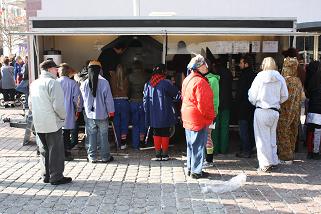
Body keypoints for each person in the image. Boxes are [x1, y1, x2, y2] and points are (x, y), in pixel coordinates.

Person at [30, 60, 72, 185]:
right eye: (55, 68)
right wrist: (63, 117)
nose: (57, 70)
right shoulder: (53, 83)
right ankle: (56, 177)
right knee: (56, 151)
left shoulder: (34, 83)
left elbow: (30, 104)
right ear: (49, 69)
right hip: (52, 122)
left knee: (44, 150)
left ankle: (46, 175)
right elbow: (58, 105)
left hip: (38, 121)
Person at [248, 57, 288, 172]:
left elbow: (252, 95)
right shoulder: (279, 77)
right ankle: (273, 160)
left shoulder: (259, 77)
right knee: (271, 138)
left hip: (262, 110)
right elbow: (285, 95)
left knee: (261, 139)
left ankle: (265, 164)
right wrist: (276, 101)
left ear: (263, 65)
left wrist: (255, 101)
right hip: (274, 111)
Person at [182, 54, 215, 179]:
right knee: (198, 145)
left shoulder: (187, 79)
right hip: (198, 118)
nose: (207, 67)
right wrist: (211, 117)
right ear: (199, 67)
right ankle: (196, 171)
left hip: (188, 116)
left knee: (190, 145)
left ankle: (190, 168)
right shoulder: (200, 82)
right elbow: (204, 104)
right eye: (204, 65)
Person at [80, 60, 115, 163]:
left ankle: (92, 157)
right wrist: (111, 112)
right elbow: (108, 99)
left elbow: (81, 100)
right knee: (104, 136)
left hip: (89, 115)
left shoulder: (84, 83)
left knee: (91, 135)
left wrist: (80, 110)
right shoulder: (104, 82)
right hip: (102, 114)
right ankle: (105, 157)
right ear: (100, 70)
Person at [143, 64, 180, 161]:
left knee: (156, 132)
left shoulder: (148, 84)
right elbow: (176, 94)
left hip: (153, 113)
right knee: (165, 133)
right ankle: (164, 155)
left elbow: (145, 100)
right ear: (163, 72)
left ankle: (157, 154)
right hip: (165, 112)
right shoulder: (166, 83)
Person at [277, 57, 303, 164]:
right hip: (295, 111)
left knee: (283, 131)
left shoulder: (284, 81)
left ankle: (285, 156)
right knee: (293, 131)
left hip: (284, 111)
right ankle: (291, 153)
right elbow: (302, 97)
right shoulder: (298, 81)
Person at [57, 63, 83, 161]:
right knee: (67, 132)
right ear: (68, 73)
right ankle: (66, 151)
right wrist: (78, 110)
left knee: (59, 132)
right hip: (69, 110)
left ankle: (61, 151)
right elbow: (78, 99)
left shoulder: (55, 82)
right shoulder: (73, 84)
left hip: (57, 111)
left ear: (59, 72)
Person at [235, 54, 257, 158]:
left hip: (243, 107)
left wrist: (235, 103)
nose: (239, 65)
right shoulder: (254, 75)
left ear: (246, 64)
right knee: (251, 129)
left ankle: (246, 150)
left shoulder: (243, 76)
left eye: (241, 63)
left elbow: (240, 92)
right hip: (252, 106)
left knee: (243, 130)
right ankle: (251, 148)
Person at [212, 56, 233, 155]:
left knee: (214, 128)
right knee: (225, 127)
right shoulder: (228, 73)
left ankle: (214, 149)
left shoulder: (214, 74)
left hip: (216, 104)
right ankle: (224, 149)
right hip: (227, 103)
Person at [128, 60, 149, 149]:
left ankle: (135, 144)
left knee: (135, 124)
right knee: (142, 123)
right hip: (142, 101)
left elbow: (128, 89)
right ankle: (141, 142)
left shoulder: (129, 76)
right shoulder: (145, 76)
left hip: (133, 101)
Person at [204, 59, 220, 167]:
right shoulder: (203, 78)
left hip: (210, 113)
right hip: (202, 113)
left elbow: (215, 99)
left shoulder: (213, 80)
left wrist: (214, 113)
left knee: (208, 136)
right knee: (204, 136)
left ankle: (209, 160)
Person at [110, 64, 130, 149]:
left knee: (116, 123)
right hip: (124, 101)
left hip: (115, 101)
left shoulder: (112, 78)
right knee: (124, 122)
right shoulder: (126, 78)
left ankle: (117, 142)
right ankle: (123, 143)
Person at [305, 61, 321, 159]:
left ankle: (309, 152)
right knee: (318, 131)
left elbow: (308, 95)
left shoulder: (312, 81)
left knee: (310, 131)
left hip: (311, 109)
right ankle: (316, 152)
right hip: (319, 111)